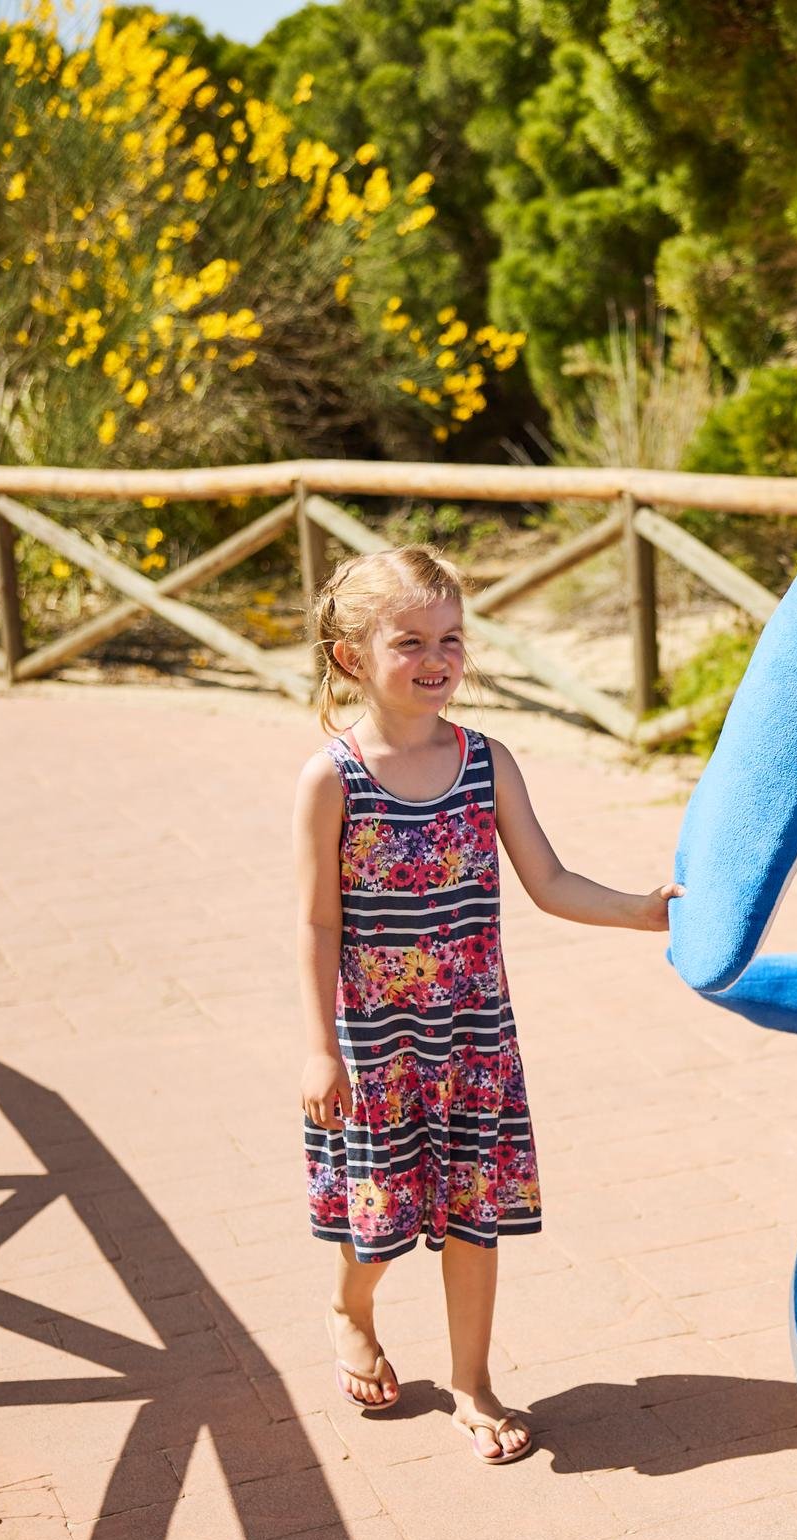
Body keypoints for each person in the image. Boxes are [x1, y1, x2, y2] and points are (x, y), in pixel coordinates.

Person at [293, 546, 678, 1464]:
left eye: (451, 639)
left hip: (472, 1040)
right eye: (410, 642)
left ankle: (473, 1384)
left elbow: (548, 880)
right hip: (378, 1047)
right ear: (351, 657)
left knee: (475, 1215)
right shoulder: (333, 778)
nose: (437, 659)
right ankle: (349, 1307)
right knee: (378, 1220)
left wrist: (640, 911)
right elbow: (315, 921)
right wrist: (319, 1049)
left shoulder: (485, 762)